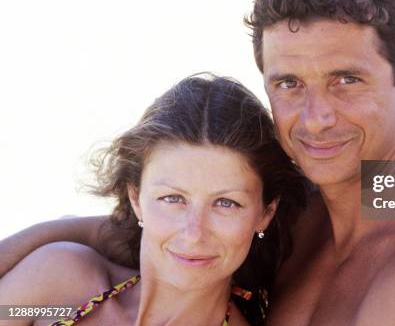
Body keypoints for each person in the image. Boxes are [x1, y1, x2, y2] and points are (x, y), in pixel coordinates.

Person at [0, 0, 395, 325]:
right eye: (289, 83)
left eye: (346, 80)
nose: (315, 118)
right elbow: (141, 231)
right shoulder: (299, 207)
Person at [0, 75, 308, 326]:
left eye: (226, 203)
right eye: (173, 198)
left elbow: (362, 184)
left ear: (265, 213)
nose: (194, 233)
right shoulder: (58, 289)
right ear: (135, 197)